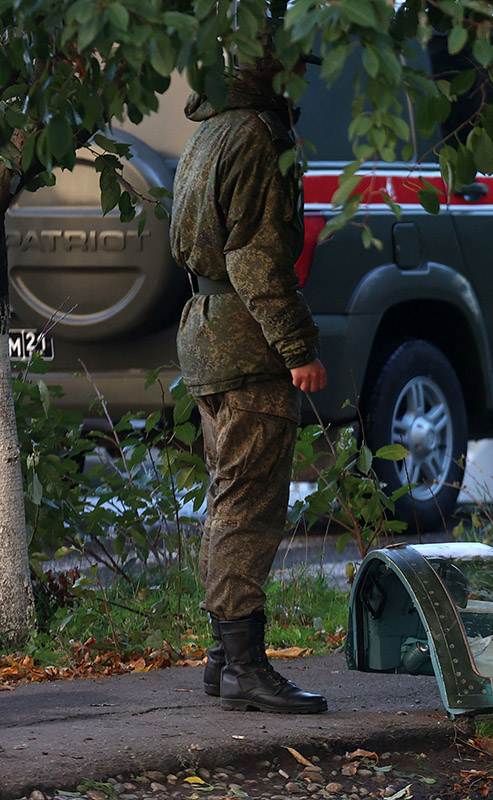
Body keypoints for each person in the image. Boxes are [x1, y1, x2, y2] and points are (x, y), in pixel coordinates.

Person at [169, 29, 328, 713]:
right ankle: (243, 668)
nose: (302, 81)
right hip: (245, 343)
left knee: (227, 496)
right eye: (294, 69)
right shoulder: (259, 138)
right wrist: (298, 350)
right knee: (248, 505)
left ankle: (222, 656)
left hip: (205, 333)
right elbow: (256, 261)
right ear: (270, 73)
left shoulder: (207, 134)